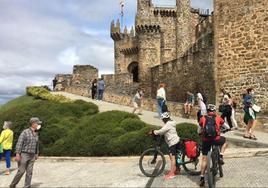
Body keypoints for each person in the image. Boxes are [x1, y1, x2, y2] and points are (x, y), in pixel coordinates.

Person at [198, 104, 228, 187]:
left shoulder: (203, 118)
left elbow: (199, 129)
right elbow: (227, 126)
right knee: (225, 142)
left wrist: (200, 134)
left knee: (204, 159)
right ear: (214, 111)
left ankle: (202, 178)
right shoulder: (218, 118)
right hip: (216, 139)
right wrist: (225, 130)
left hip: (206, 140)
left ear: (207, 111)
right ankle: (221, 156)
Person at [10, 117, 42, 188]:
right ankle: (12, 185)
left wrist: (36, 153)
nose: (39, 125)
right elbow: (19, 143)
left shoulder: (36, 134)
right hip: (24, 154)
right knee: (21, 171)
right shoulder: (25, 132)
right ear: (33, 124)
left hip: (32, 155)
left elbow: (37, 145)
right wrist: (18, 154)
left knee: (29, 172)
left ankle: (27, 186)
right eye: (38, 123)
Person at [150, 112, 180, 180]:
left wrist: (153, 132)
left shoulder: (168, 124)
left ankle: (172, 174)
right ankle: (177, 169)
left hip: (172, 142)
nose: (162, 120)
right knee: (174, 157)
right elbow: (164, 131)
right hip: (176, 140)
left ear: (165, 119)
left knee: (172, 158)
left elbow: (161, 131)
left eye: (163, 119)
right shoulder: (171, 122)